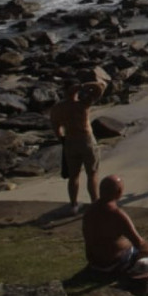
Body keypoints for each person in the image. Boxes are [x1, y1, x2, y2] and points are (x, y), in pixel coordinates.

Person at [83, 175, 148, 295]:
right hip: (114, 264)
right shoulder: (117, 214)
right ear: (119, 193)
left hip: (95, 262)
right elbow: (140, 244)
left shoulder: (90, 210)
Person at [50, 78, 107, 213]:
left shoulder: (58, 108)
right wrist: (82, 85)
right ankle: (95, 202)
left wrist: (61, 139)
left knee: (73, 176)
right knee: (92, 173)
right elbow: (100, 88)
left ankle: (74, 204)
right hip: (86, 139)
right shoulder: (82, 104)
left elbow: (55, 127)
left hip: (70, 140)